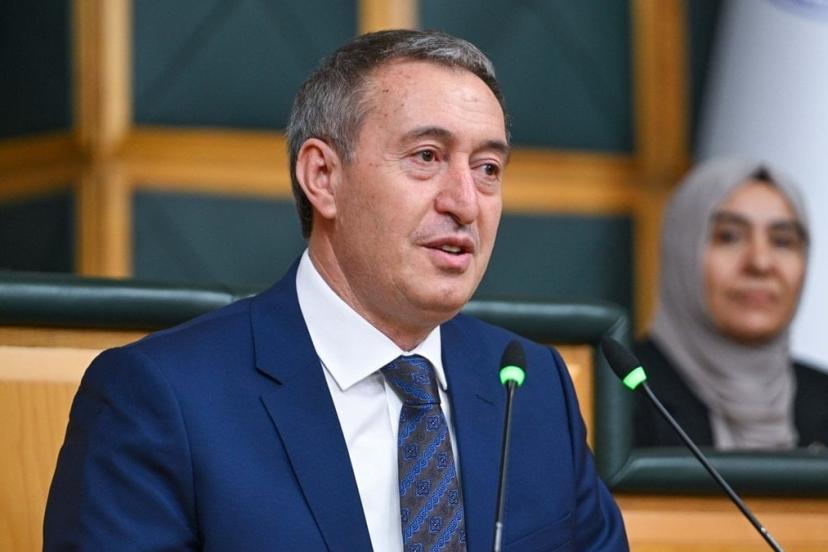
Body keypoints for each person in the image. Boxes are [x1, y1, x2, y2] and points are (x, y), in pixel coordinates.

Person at [44, 30, 628, 550]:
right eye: (427, 157)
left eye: (488, 169)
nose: (465, 203)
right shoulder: (160, 397)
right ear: (323, 177)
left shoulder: (531, 388)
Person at [634, 157, 828, 450]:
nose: (760, 262)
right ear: (681, 251)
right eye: (729, 237)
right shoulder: (617, 396)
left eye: (782, 241)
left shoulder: (823, 397)